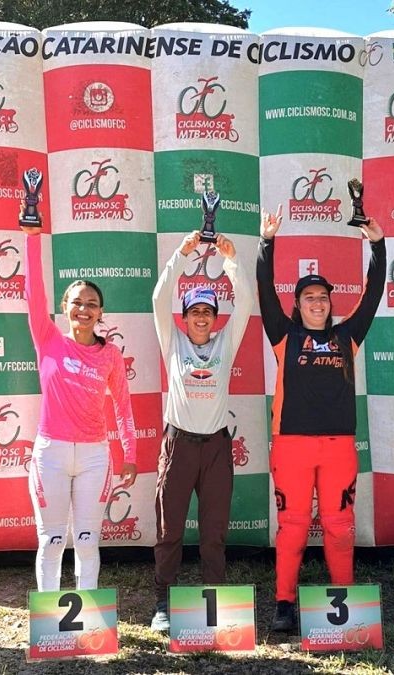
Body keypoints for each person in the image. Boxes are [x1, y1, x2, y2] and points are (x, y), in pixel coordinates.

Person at [256, 205, 385, 632]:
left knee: (340, 527)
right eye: (309, 297)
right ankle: (284, 604)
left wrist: (378, 245)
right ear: (297, 305)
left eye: (323, 297)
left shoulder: (347, 336)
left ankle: (344, 602)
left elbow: (372, 294)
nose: (317, 302)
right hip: (291, 446)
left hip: (338, 449)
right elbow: (264, 290)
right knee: (292, 527)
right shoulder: (284, 336)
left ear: (331, 304)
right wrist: (266, 243)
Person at [21, 213, 137, 592]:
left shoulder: (110, 354)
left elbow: (122, 406)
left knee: (87, 541)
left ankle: (87, 614)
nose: (83, 309)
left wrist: (130, 454)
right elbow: (33, 294)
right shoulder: (48, 339)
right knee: (52, 540)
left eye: (92, 304)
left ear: (101, 312)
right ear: (64, 307)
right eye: (76, 302)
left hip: (94, 457)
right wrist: (32, 239)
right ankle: (51, 616)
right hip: (50, 454)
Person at [148, 230, 253, 632]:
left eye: (208, 311)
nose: (202, 317)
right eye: (195, 311)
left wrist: (231, 261)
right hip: (178, 445)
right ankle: (163, 602)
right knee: (169, 529)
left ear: (215, 317)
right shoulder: (172, 342)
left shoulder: (226, 343)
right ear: (185, 317)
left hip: (215, 448)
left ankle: (216, 601)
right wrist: (182, 253)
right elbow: (159, 298)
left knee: (213, 532)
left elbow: (245, 302)